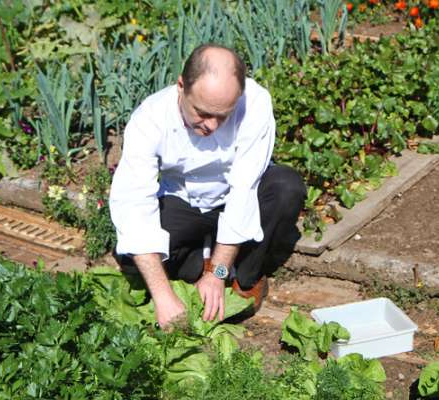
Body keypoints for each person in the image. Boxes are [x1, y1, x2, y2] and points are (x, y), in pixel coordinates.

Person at [109, 43, 305, 329]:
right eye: (201, 113)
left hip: (235, 197)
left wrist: (218, 272)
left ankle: (245, 275)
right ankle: (199, 261)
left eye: (222, 116)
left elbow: (243, 188)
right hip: (185, 198)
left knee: (287, 187)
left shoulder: (256, 103)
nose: (211, 126)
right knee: (132, 259)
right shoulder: (149, 119)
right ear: (181, 86)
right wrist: (163, 296)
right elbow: (134, 203)